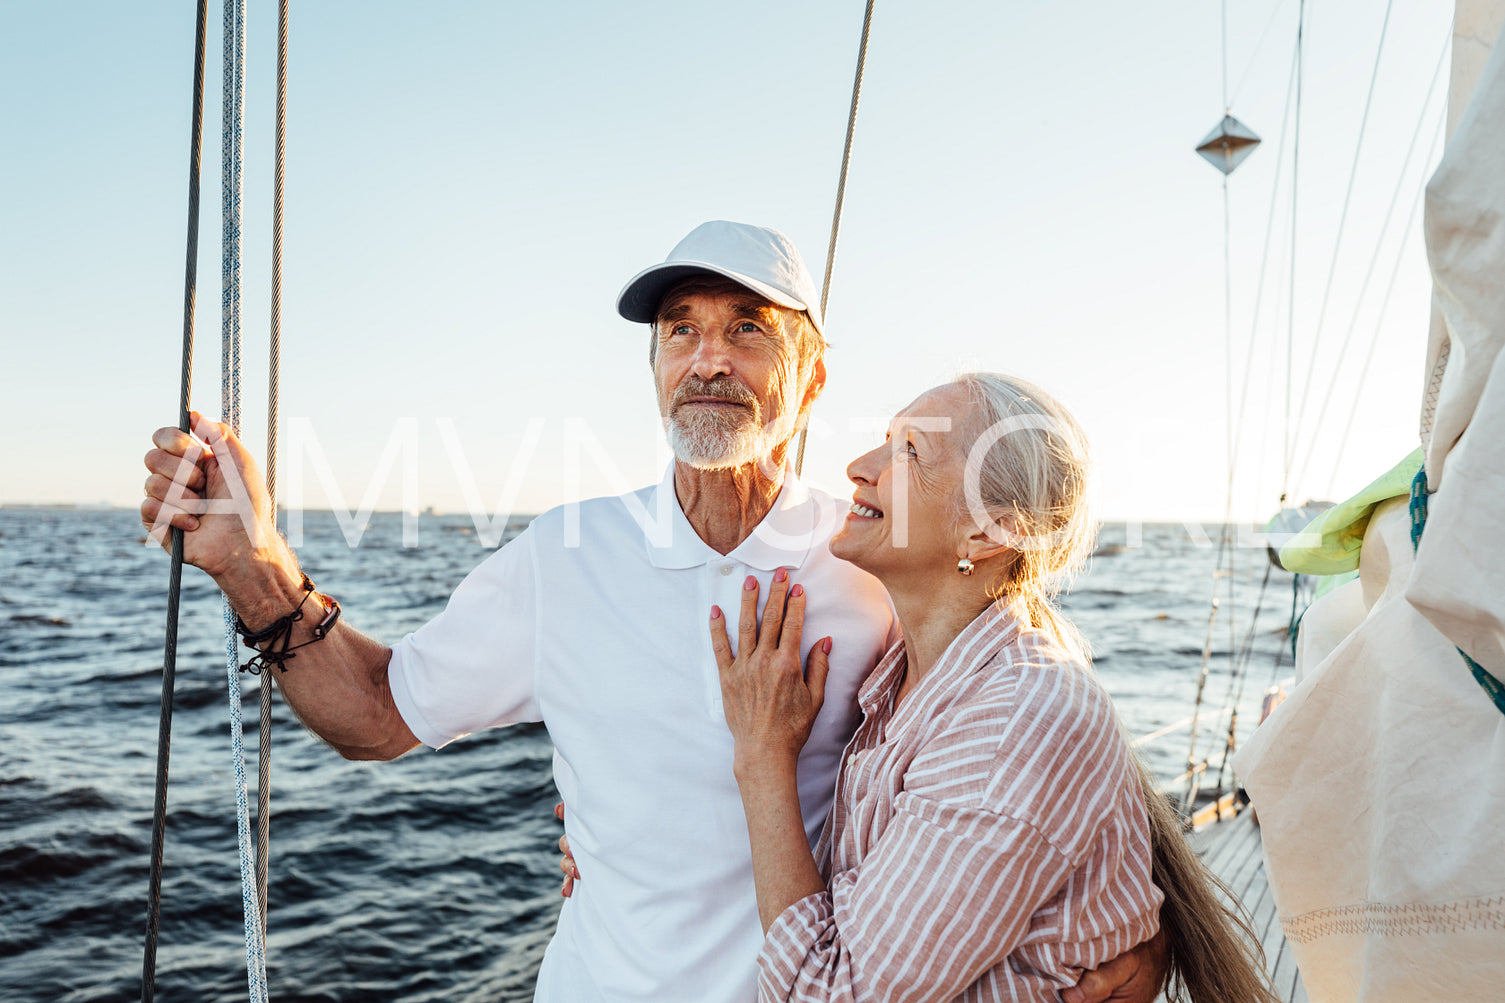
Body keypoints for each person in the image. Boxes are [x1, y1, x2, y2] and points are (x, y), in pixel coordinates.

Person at [140, 221, 1166, 1002]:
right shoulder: (562, 557)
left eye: (746, 331)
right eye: (681, 330)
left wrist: (1144, 935)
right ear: (654, 368)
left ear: (808, 382)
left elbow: (1033, 729)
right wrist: (251, 565)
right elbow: (376, 711)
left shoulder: (870, 558)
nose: (707, 357)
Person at [711, 374, 1280, 1001]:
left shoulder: (1015, 716)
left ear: (986, 533)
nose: (857, 467)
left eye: (909, 451)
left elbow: (832, 993)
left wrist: (763, 754)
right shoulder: (904, 676)